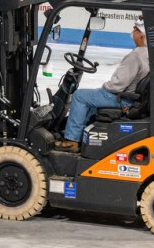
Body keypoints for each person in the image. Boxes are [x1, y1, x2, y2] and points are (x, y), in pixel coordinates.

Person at [56, 18, 149, 152]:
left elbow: (117, 85)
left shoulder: (136, 56)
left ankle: (72, 140)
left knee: (79, 96)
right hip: (131, 97)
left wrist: (104, 87)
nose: (133, 31)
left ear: (142, 35)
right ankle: (81, 134)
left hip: (122, 99)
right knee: (90, 99)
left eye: (136, 29)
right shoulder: (148, 54)